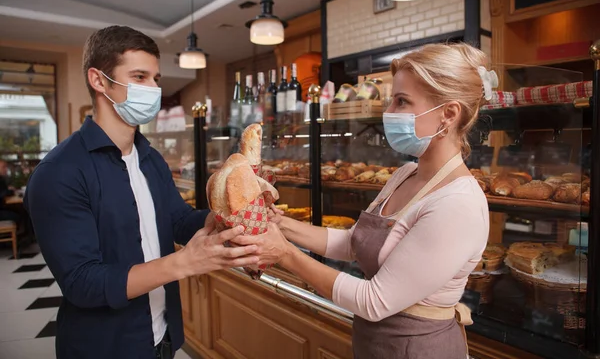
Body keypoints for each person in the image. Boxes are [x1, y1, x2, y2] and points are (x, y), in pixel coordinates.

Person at [236, 43, 491, 358]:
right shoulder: (407, 174)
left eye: (401, 101)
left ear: (448, 114)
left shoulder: (457, 203)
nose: (388, 113)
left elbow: (374, 301)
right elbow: (354, 244)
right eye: (391, 101)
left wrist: (285, 254)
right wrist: (281, 224)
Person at [24, 26, 260, 359]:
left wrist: (235, 213)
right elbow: (83, 282)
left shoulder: (149, 158)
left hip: (163, 336)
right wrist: (183, 263)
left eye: (155, 78)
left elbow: (178, 220)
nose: (153, 89)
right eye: (139, 76)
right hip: (105, 347)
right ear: (99, 80)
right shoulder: (59, 173)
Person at [0, 160, 20, 224]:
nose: (6, 169)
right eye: (3, 167)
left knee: (19, 210)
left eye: (6, 167)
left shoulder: (2, 179)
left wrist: (9, 190)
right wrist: (10, 191)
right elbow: (2, 194)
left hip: (2, 207)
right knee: (17, 215)